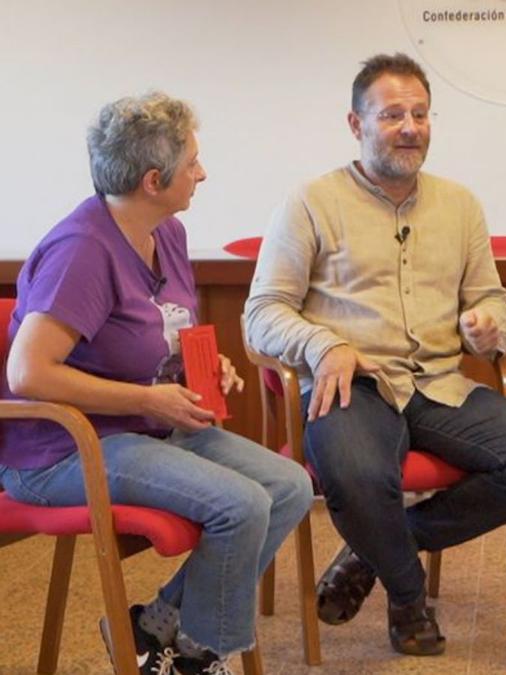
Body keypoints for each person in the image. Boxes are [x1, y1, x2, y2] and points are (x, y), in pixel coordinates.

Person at [243, 53, 506, 656]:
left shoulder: (460, 204)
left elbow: (493, 298)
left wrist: (488, 327)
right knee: (360, 475)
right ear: (355, 123)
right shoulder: (309, 201)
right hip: (352, 384)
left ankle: (378, 549)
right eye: (392, 115)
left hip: (440, 383)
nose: (411, 127)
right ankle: (409, 595)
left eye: (420, 114)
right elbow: (261, 315)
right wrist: (324, 342)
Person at [0, 93, 314, 675]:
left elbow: (163, 327)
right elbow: (28, 373)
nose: (202, 173)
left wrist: (206, 363)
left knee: (290, 485)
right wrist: (148, 399)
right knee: (241, 504)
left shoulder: (165, 231)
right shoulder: (82, 252)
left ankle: (160, 627)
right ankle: (197, 658)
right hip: (62, 450)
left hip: (145, 427)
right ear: (153, 180)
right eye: (192, 162)